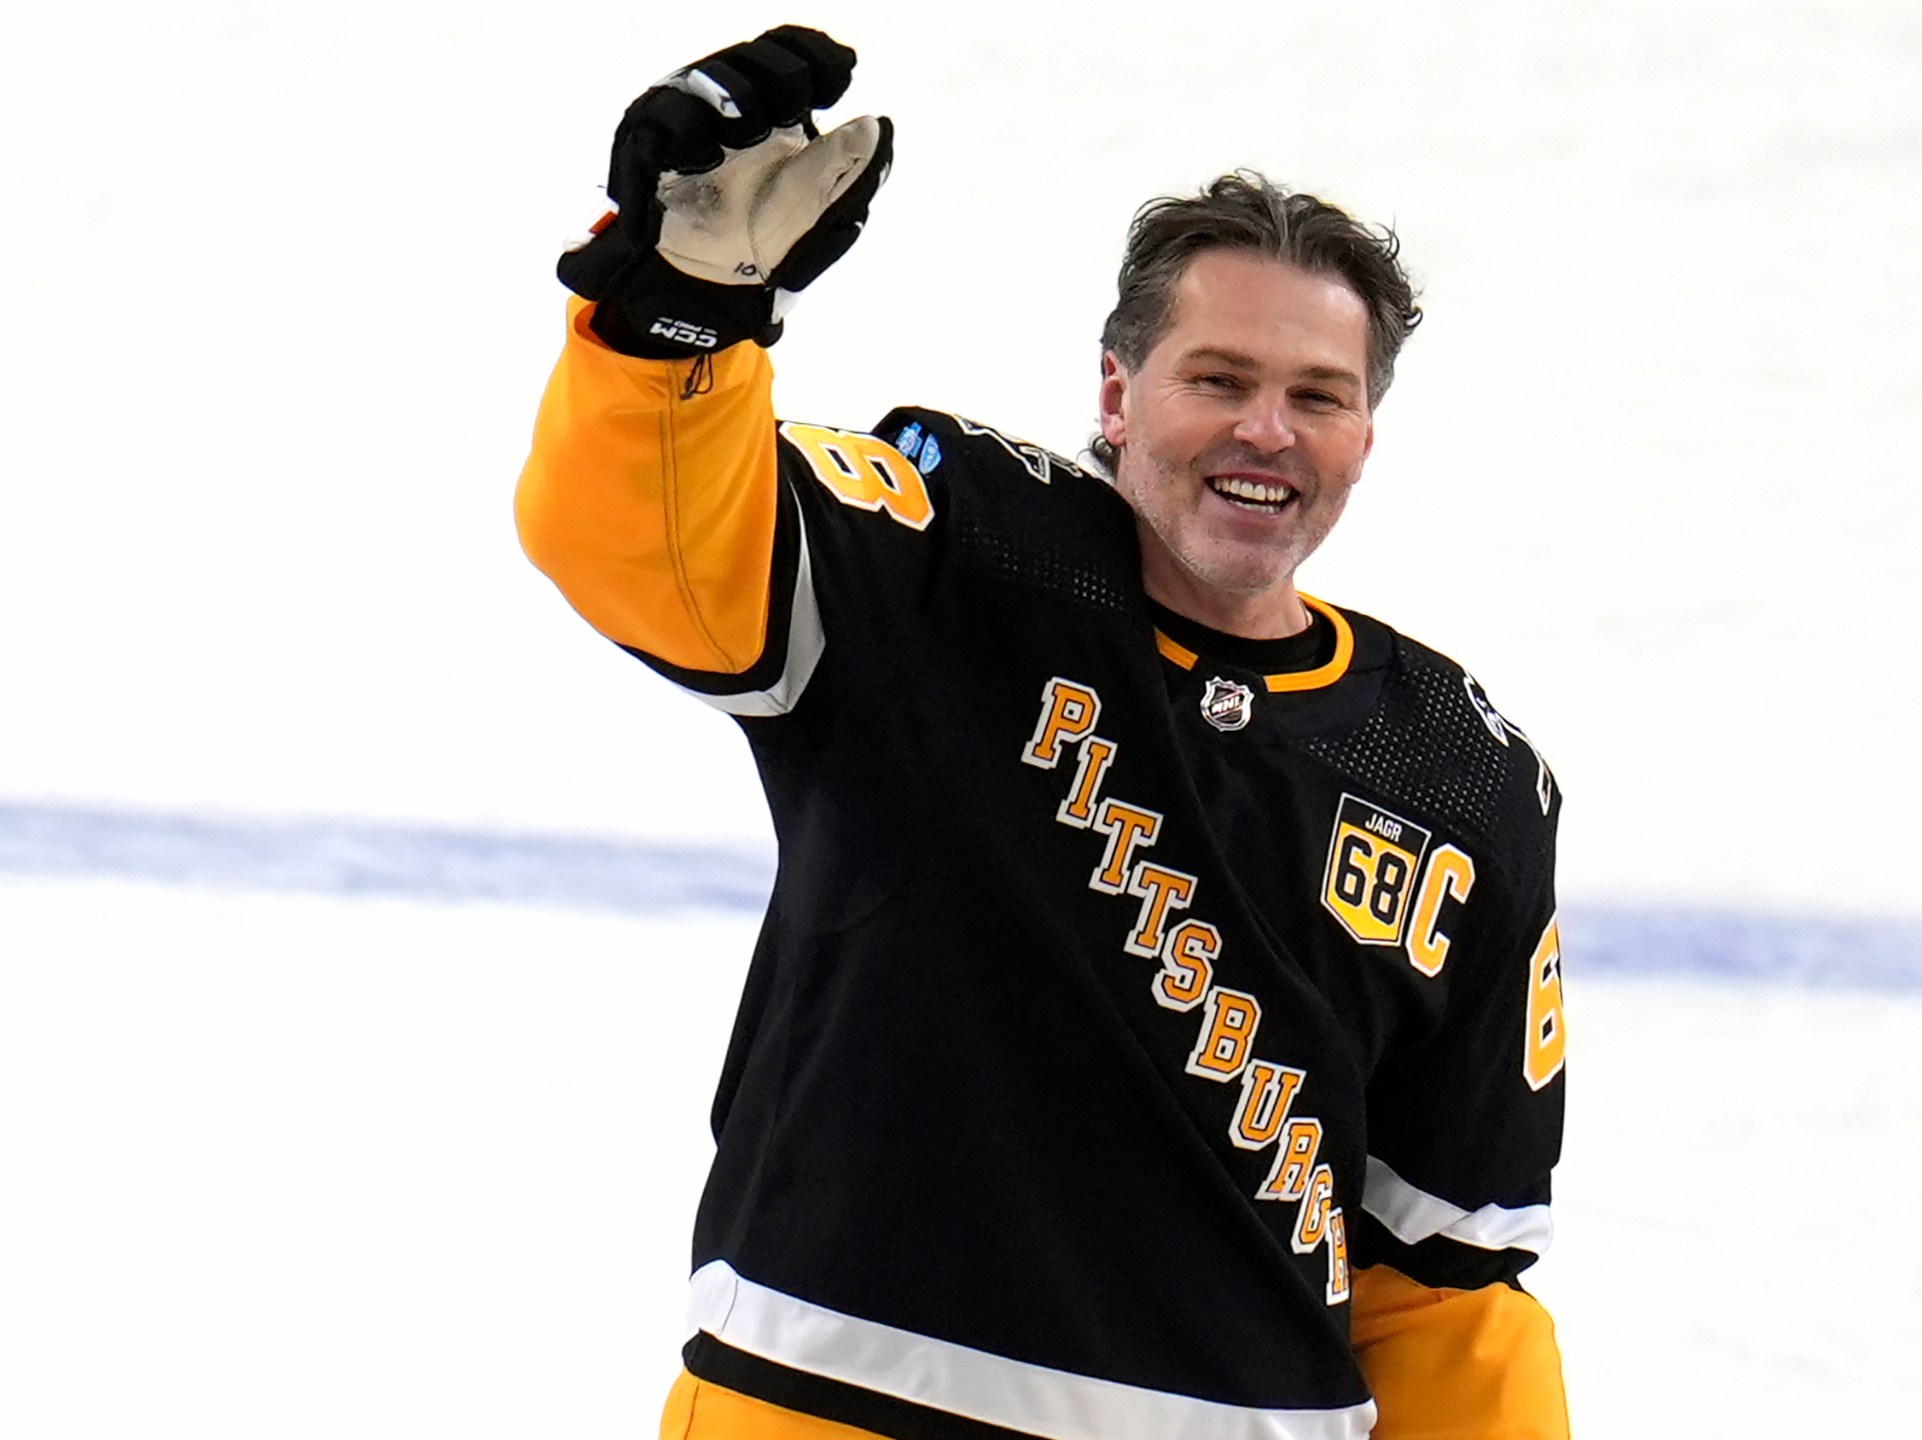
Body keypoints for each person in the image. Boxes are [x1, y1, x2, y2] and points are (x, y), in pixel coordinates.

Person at [518, 25, 1570, 1440]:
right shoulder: (954, 558)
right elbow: (644, 550)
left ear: (1363, 437)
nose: (1266, 430)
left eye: (1316, 397)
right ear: (1118, 394)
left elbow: (1441, 1286)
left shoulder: (1459, 775)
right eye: (1217, 378)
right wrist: (679, 314)